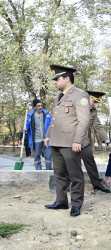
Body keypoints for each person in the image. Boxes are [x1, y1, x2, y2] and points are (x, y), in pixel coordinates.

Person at [44, 65, 90, 217]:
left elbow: (84, 121)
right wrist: (48, 135)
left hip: (71, 143)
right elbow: (55, 119)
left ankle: (76, 204)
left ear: (67, 79)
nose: (55, 82)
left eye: (57, 79)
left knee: (75, 175)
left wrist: (78, 140)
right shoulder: (59, 97)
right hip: (56, 142)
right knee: (59, 174)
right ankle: (61, 201)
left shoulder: (80, 95)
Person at [80, 91, 110, 192]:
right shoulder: (76, 106)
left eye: (97, 102)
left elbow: (98, 127)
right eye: (94, 101)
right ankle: (66, 185)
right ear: (87, 98)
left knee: (90, 162)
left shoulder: (93, 111)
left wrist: (107, 141)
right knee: (69, 163)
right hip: (69, 140)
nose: (95, 104)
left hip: (84, 141)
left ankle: (97, 185)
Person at [24, 99, 52, 170]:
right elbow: (26, 125)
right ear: (34, 107)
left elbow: (52, 125)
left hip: (46, 139)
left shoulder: (47, 115)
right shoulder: (30, 116)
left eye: (41, 105)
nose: (40, 107)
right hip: (36, 139)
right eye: (38, 106)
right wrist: (24, 129)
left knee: (48, 155)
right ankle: (38, 170)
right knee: (37, 155)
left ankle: (48, 170)